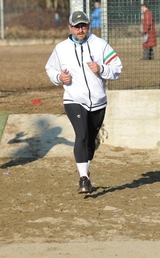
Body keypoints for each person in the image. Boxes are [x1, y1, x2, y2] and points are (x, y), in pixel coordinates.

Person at [45, 11, 122, 194]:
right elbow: (50, 68)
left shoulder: (100, 45)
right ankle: (83, 178)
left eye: (84, 26)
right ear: (69, 27)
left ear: (88, 26)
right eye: (77, 26)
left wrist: (101, 68)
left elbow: (117, 68)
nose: (81, 30)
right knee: (81, 134)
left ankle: (85, 171)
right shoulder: (61, 48)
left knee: (90, 140)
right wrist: (59, 77)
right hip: (74, 99)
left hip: (98, 101)